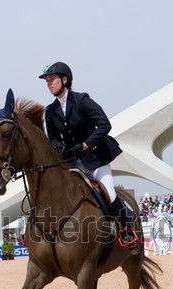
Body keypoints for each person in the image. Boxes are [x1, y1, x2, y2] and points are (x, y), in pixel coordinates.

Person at [39, 61, 139, 251]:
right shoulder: (50, 111)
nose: (49, 84)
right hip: (71, 162)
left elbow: (104, 124)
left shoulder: (82, 100)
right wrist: (60, 146)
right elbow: (51, 138)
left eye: (52, 79)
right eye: (47, 81)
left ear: (64, 79)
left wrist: (85, 144)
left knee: (109, 192)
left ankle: (126, 230)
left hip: (94, 160)